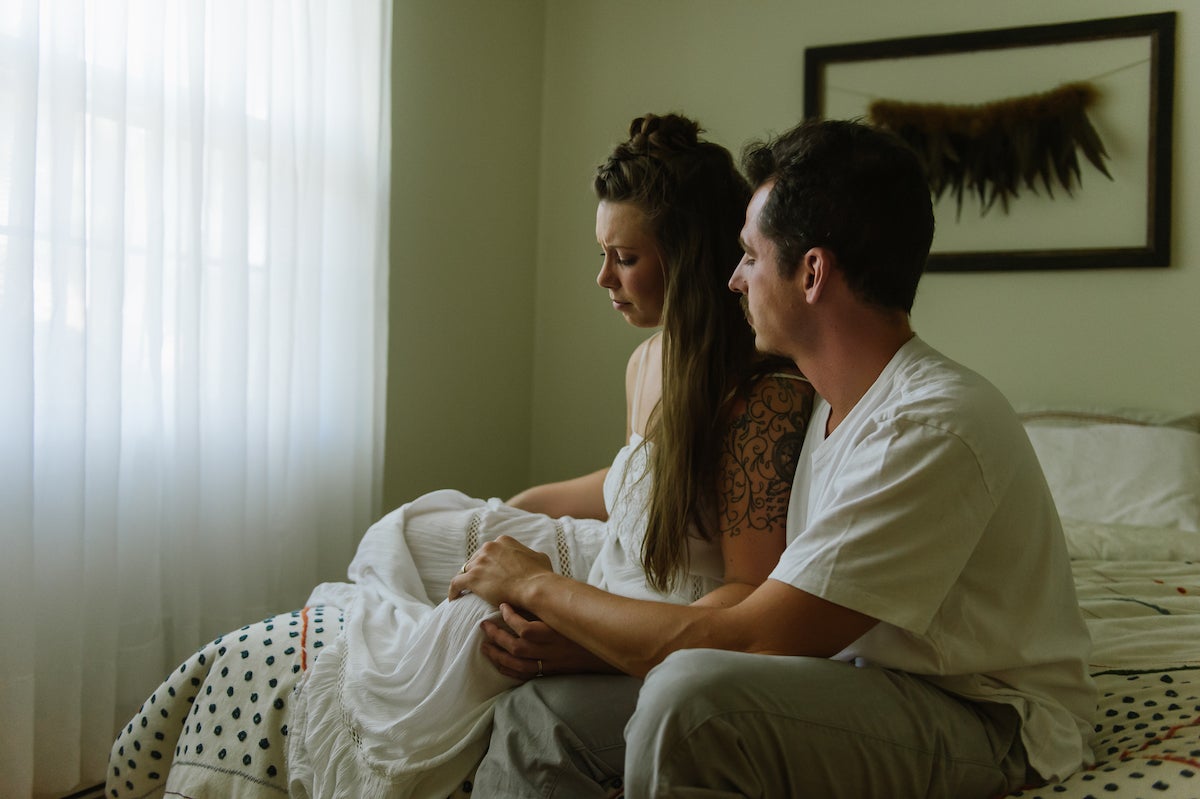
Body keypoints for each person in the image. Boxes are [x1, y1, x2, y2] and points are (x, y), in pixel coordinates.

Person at [105, 112, 812, 799]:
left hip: (652, 605)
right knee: (414, 526)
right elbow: (640, 480)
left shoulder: (761, 397)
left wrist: (586, 636)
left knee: (472, 624)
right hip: (614, 559)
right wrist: (511, 508)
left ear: (686, 260)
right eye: (602, 254)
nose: (603, 278)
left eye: (624, 259)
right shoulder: (648, 362)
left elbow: (747, 594)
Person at [452, 118, 1097, 799]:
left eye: (751, 258)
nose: (733, 280)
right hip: (850, 675)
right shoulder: (818, 406)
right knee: (544, 716)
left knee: (691, 702)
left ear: (812, 272)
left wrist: (537, 585)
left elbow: (756, 639)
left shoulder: (928, 424)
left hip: (981, 712)